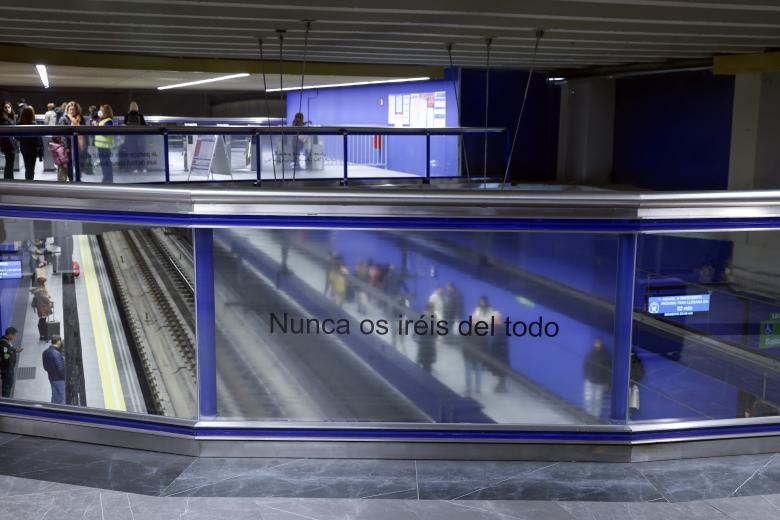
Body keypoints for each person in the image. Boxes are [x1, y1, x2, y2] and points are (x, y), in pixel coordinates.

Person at [463, 296, 494, 396]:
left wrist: (464, 352)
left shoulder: (470, 330)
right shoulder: (483, 331)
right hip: (478, 352)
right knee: (478, 371)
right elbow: (485, 345)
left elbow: (465, 341)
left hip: (470, 352)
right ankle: (477, 389)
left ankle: (469, 388)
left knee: (470, 370)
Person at [583, 338, 611, 418]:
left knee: (597, 401)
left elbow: (608, 371)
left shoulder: (606, 356)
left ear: (601, 344)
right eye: (596, 343)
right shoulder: (590, 354)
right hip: (590, 381)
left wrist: (607, 382)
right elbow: (585, 366)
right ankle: (588, 416)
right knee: (588, 399)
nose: (597, 345)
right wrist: (586, 377)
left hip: (600, 382)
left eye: (599, 343)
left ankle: (595, 418)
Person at [58, 101, 86, 180]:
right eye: (70, 109)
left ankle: (78, 178)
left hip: (78, 144)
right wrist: (66, 147)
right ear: (67, 110)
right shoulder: (63, 119)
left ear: (77, 110)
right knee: (69, 163)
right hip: (68, 145)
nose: (72, 111)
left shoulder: (81, 118)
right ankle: (71, 179)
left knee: (79, 162)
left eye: (73, 109)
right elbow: (63, 135)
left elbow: (84, 131)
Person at [17, 106, 43, 181]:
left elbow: (16, 136)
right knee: (31, 167)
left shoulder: (19, 123)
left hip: (24, 147)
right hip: (33, 148)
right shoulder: (34, 124)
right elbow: (37, 138)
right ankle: (30, 181)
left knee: (27, 166)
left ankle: (27, 180)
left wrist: (22, 139)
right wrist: (39, 147)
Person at [42, 335, 66, 404]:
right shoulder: (57, 354)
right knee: (62, 397)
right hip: (59, 379)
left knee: (55, 396)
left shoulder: (45, 352)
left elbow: (45, 367)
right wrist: (64, 378)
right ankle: (62, 411)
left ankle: (52, 409)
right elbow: (61, 369)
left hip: (51, 378)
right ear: (58, 342)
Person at [94, 104, 115, 184]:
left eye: (101, 110)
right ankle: (106, 178)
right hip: (101, 146)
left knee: (106, 163)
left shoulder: (109, 121)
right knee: (104, 164)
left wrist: (97, 128)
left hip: (105, 147)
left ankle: (108, 179)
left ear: (105, 112)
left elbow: (106, 132)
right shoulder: (102, 120)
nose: (99, 112)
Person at [0, 327, 22, 397]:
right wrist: (12, 353)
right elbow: (6, 357)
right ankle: (6, 400)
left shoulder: (7, 342)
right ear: (9, 334)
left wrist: (15, 350)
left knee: (9, 384)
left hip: (8, 369)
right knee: (7, 386)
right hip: (7, 369)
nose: (14, 337)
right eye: (14, 335)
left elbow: (8, 352)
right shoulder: (4, 344)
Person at [416, 302, 437, 373]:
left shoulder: (432, 316)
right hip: (426, 342)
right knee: (426, 363)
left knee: (426, 363)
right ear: (429, 309)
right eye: (432, 308)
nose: (433, 309)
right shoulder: (425, 316)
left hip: (428, 342)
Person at [0, 101, 17, 180]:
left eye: (9, 107)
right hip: (7, 144)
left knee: (9, 163)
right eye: (5, 107)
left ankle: (9, 179)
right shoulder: (3, 118)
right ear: (2, 109)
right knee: (9, 163)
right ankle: (9, 179)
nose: (7, 109)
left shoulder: (10, 116)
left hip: (10, 143)